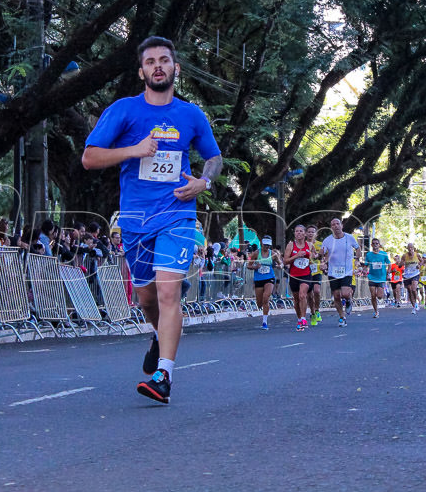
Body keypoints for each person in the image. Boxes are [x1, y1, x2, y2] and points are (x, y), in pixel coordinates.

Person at [82, 36, 222, 404]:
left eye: (164, 60)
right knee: (146, 300)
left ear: (176, 68)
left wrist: (203, 182)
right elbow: (90, 158)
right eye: (150, 61)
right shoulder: (124, 110)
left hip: (177, 214)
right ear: (141, 70)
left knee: (167, 291)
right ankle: (160, 334)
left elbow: (214, 158)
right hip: (134, 220)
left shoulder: (191, 114)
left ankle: (164, 375)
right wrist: (134, 149)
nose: (158, 66)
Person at [320, 218, 361, 327]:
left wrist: (357, 259)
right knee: (337, 296)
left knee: (346, 293)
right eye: (333, 224)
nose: (336, 226)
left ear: (341, 225)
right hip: (333, 272)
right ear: (331, 227)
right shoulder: (327, 240)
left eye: (337, 224)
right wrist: (322, 261)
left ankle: (348, 301)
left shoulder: (349, 238)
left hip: (346, 271)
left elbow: (358, 248)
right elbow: (322, 254)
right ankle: (342, 317)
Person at [283, 225, 315, 330]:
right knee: (296, 300)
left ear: (305, 233)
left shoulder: (309, 245)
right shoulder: (291, 245)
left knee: (302, 295)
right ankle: (299, 319)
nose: (299, 233)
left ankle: (303, 317)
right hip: (294, 275)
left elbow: (314, 256)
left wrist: (315, 258)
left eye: (301, 231)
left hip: (306, 274)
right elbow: (285, 261)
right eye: (296, 231)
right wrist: (297, 256)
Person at [247, 235, 280, 330]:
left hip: (269, 277)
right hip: (258, 279)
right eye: (265, 245)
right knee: (259, 303)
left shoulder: (273, 254)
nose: (267, 247)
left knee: (266, 297)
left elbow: (280, 263)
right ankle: (262, 307)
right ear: (262, 244)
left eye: (269, 245)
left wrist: (279, 266)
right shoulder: (256, 253)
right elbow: (248, 266)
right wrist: (255, 267)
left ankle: (265, 322)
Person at [363, 238, 389, 318]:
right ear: (371, 245)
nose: (375, 245)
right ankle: (376, 311)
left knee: (379, 296)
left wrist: (388, 274)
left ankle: (384, 292)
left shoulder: (384, 254)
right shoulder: (368, 255)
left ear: (379, 245)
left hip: (381, 277)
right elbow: (366, 265)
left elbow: (389, 264)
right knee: (373, 295)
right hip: (372, 277)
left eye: (377, 243)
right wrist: (364, 271)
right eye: (373, 243)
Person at [305, 223, 324, 326]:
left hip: (317, 271)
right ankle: (312, 313)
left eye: (313, 232)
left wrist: (323, 263)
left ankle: (317, 310)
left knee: (316, 291)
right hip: (306, 272)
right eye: (309, 232)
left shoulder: (320, 244)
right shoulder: (302, 244)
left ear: (316, 234)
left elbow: (324, 257)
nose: (311, 234)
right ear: (305, 233)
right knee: (309, 295)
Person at [399, 242, 425, 314]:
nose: (410, 249)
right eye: (409, 248)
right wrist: (402, 263)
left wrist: (419, 265)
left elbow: (422, 261)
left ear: (413, 248)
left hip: (415, 274)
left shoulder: (417, 255)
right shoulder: (404, 256)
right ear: (407, 249)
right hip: (407, 275)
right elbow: (400, 265)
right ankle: (414, 306)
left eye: (412, 248)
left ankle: (417, 300)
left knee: (413, 289)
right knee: (410, 290)